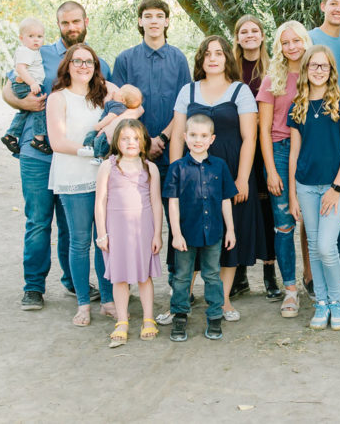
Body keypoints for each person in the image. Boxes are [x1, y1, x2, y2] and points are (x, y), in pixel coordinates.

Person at [3, 2, 111, 311]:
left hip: (75, 160)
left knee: (71, 225)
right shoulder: (38, 54)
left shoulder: (93, 60)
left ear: (86, 22)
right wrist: (28, 106)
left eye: (76, 21)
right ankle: (33, 287)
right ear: (58, 25)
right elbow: (8, 90)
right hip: (37, 154)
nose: (71, 27)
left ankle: (71, 282)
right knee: (38, 220)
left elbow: (112, 99)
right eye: (65, 23)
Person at [167, 36, 262, 324]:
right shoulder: (188, 90)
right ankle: (181, 300)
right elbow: (176, 136)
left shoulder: (240, 91)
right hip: (191, 176)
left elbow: (250, 137)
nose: (213, 58)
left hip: (229, 173)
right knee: (190, 232)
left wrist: (242, 178)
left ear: (226, 59)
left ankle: (223, 299)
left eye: (219, 53)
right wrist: (176, 177)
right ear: (200, 59)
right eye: (207, 54)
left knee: (226, 238)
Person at [46, 44, 135, 326]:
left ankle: (108, 301)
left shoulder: (106, 91)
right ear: (67, 65)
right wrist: (90, 151)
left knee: (105, 242)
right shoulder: (58, 98)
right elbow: (57, 142)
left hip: (105, 176)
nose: (83, 66)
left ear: (95, 65)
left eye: (89, 61)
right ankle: (83, 303)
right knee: (80, 240)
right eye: (77, 61)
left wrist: (109, 132)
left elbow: (135, 107)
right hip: (74, 175)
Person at [111, 0, 192, 289]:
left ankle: (176, 279)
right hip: (134, 151)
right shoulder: (125, 59)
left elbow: (184, 105)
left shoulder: (179, 59)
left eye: (160, 15)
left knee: (174, 213)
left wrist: (164, 137)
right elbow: (119, 107)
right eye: (148, 16)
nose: (154, 20)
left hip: (171, 149)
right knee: (136, 215)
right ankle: (133, 276)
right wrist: (144, 140)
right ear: (140, 21)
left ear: (167, 22)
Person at [287, 46, 340, 330]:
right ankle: (322, 304)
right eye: (313, 66)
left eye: (324, 66)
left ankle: (337, 300)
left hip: (332, 187)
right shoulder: (298, 106)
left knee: (327, 246)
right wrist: (293, 194)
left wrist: (337, 187)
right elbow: (294, 154)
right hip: (305, 186)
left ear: (331, 71)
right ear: (305, 70)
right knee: (315, 248)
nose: (318, 71)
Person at [307, 0, 340, 313]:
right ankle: (313, 281)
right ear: (323, 4)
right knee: (312, 223)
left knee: (337, 218)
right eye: (333, 3)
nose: (338, 9)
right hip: (312, 133)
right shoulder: (309, 37)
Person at [165, 113, 237, 341]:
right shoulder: (177, 168)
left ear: (212, 139)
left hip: (213, 232)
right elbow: (173, 202)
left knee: (212, 275)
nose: (198, 140)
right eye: (194, 135)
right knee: (182, 277)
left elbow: (226, 199)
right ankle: (179, 317)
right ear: (185, 137)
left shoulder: (220, 166)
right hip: (185, 234)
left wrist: (231, 230)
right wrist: (175, 233)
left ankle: (215, 317)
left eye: (204, 135)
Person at [257, 21, 312, 319]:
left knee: (316, 220)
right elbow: (264, 130)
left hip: (312, 152)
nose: (292, 47)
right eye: (285, 42)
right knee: (284, 223)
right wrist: (271, 170)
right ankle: (290, 289)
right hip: (280, 150)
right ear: (279, 46)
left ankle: (326, 282)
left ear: (305, 41)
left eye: (296, 41)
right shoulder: (272, 79)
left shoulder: (315, 71)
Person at [94, 119, 163, 347]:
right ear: (117, 141)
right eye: (125, 138)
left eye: (135, 138)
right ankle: (122, 321)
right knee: (119, 277)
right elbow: (100, 201)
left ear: (144, 142)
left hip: (142, 230)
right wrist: (102, 233)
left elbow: (155, 202)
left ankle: (148, 318)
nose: (130, 142)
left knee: (144, 276)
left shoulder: (149, 168)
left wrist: (157, 234)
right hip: (116, 231)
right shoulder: (108, 166)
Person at [231, 15, 279, 300]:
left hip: (267, 147)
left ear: (262, 36)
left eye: (255, 31)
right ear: (237, 37)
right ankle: (239, 273)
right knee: (239, 208)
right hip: (237, 146)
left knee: (268, 211)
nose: (249, 35)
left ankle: (270, 274)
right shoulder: (229, 69)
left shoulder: (274, 67)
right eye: (243, 32)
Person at [1, 17, 50, 155]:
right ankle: (38, 139)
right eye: (31, 36)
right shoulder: (26, 51)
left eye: (39, 36)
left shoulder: (33, 51)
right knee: (39, 107)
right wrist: (32, 83)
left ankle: (10, 135)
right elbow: (21, 69)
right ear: (21, 38)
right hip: (25, 84)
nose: (36, 40)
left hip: (27, 84)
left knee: (26, 110)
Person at [81, 84, 143, 164]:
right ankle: (89, 148)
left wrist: (100, 125)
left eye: (119, 91)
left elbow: (110, 116)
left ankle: (100, 156)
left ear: (122, 100)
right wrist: (109, 99)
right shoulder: (116, 105)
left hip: (105, 127)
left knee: (100, 141)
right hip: (104, 127)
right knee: (94, 136)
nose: (116, 91)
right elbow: (107, 107)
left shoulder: (118, 106)